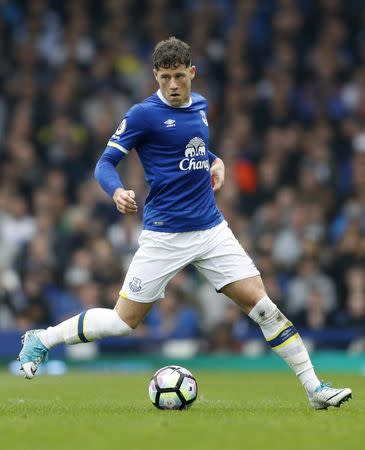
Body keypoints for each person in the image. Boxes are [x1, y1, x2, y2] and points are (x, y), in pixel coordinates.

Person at [18, 37, 351, 409]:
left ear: (192, 72)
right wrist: (115, 192)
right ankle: (42, 339)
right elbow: (104, 164)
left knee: (263, 306)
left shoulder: (202, 106)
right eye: (164, 78)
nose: (172, 85)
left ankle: (315, 389)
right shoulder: (143, 114)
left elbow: (189, 144)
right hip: (164, 235)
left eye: (179, 76)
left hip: (211, 230)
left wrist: (214, 159)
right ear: (155, 76)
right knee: (121, 322)